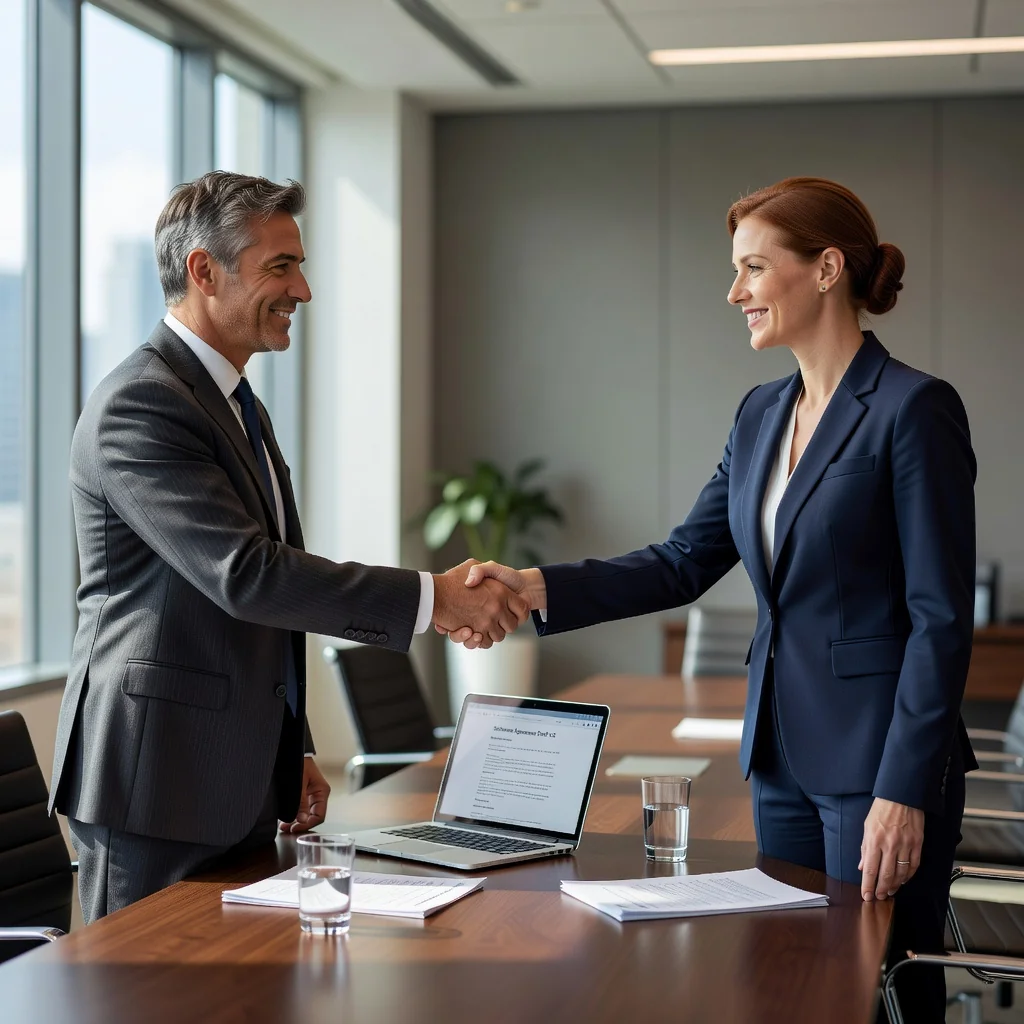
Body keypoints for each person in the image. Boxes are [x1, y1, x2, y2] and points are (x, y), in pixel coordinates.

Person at [447, 177, 977, 1022]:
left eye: (754, 269)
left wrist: (904, 788)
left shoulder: (912, 410)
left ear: (827, 269)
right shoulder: (761, 413)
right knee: (786, 984)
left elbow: (941, 619)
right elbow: (684, 560)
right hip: (779, 757)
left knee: (872, 996)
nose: (735, 292)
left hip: (878, 765)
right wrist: (539, 587)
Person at [51, 171, 528, 923]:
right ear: (204, 270)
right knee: (142, 995)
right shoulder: (141, 404)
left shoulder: (238, 402)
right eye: (281, 266)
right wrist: (434, 600)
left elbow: (250, 606)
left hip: (231, 773)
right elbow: (245, 575)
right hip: (156, 781)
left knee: (237, 991)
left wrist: (291, 742)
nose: (303, 290)